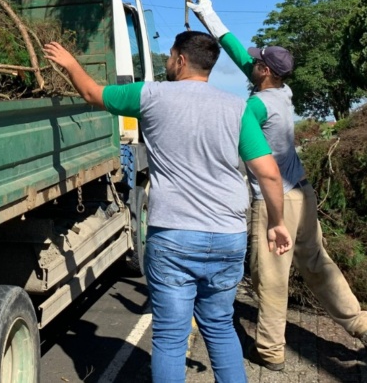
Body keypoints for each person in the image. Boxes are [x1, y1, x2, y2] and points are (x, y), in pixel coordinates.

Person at [43, 31, 292, 383]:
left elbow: (91, 93)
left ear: (180, 59)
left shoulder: (150, 95)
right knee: (220, 326)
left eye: (171, 56)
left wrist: (70, 63)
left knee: (171, 338)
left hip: (173, 238)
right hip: (227, 237)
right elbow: (268, 173)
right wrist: (276, 222)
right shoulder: (237, 107)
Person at [187, 0, 367, 371]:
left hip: (273, 203)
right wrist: (209, 16)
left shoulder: (254, 106)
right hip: (304, 196)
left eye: (258, 62)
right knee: (318, 264)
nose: (254, 62)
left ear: (265, 72)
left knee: (272, 280)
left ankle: (270, 352)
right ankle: (362, 326)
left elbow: (236, 152)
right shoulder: (283, 92)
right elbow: (241, 55)